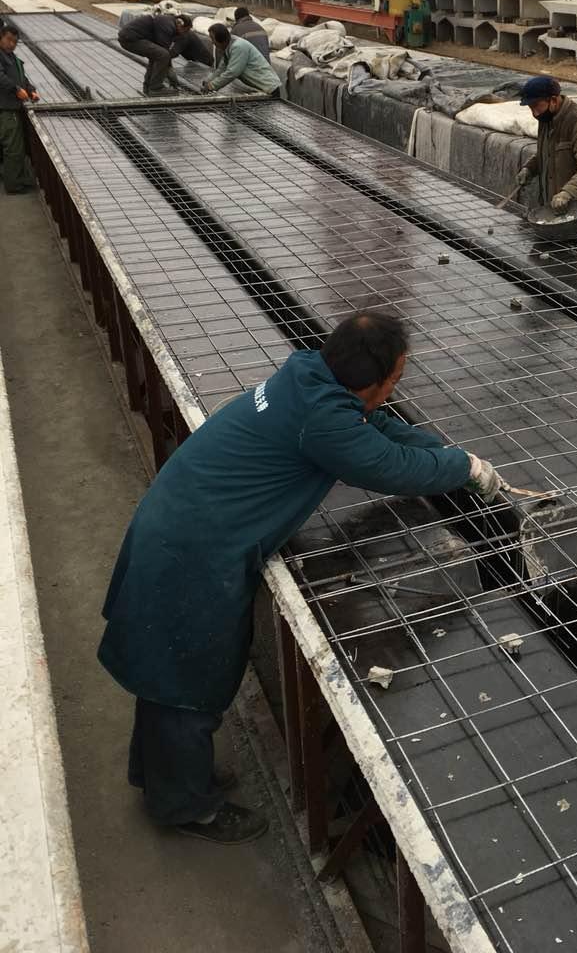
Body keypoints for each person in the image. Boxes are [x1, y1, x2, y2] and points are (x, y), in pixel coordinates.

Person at [98, 311, 502, 845]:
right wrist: (464, 470)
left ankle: (163, 777)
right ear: (372, 379)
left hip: (182, 524)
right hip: (190, 554)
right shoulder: (325, 423)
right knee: (183, 682)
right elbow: (388, 466)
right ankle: (185, 806)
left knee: (167, 675)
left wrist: (444, 453)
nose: (394, 389)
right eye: (395, 379)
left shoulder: (312, 376)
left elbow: (379, 427)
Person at [515, 74, 577, 230]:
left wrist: (567, 193)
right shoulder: (546, 118)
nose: (535, 113)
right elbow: (547, 153)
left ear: (553, 100)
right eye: (531, 108)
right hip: (555, 211)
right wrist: (529, 168)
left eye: (537, 106)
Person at [0, 23, 40, 194]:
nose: (11, 44)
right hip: (6, 109)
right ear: (1, 37)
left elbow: (22, 78)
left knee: (16, 147)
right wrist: (16, 90)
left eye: (15, 42)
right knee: (13, 149)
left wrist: (31, 91)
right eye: (8, 39)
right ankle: (14, 185)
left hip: (13, 108)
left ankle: (18, 178)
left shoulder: (12, 58)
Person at [117, 11, 194, 97]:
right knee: (162, 55)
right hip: (131, 39)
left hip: (130, 37)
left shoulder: (168, 22)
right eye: (185, 30)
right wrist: (171, 75)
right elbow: (165, 53)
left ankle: (148, 87)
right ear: (180, 24)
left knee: (156, 55)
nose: (184, 33)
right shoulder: (168, 25)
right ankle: (155, 88)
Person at [202, 23, 280, 96]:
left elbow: (232, 72)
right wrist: (208, 81)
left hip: (269, 88)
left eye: (213, 39)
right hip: (262, 88)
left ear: (221, 39)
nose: (212, 42)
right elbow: (221, 69)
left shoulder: (238, 47)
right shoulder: (229, 47)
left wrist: (212, 86)